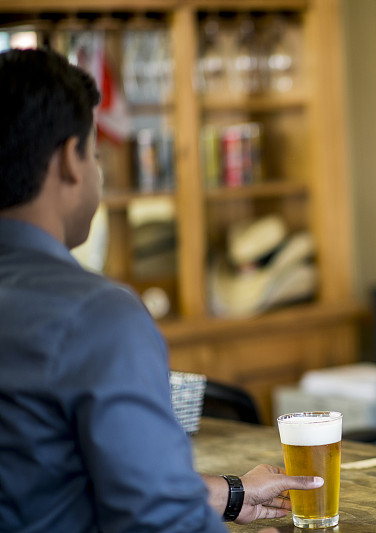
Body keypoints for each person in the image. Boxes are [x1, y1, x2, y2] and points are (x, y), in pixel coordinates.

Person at [0, 48, 322, 532]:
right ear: (70, 160)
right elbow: (159, 518)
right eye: (94, 154)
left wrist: (231, 492)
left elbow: (56, 475)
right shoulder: (95, 314)